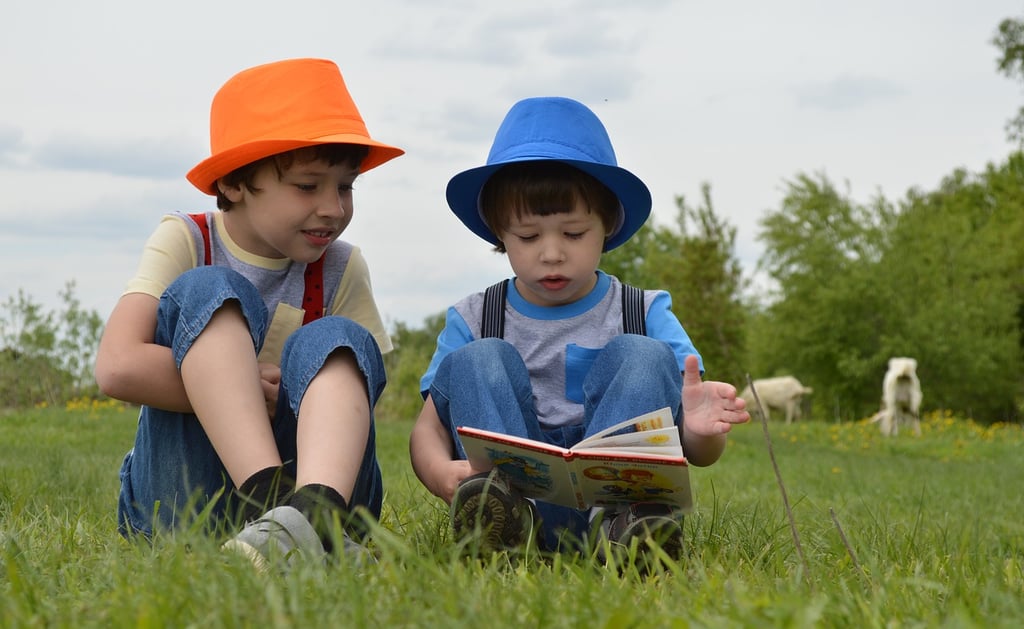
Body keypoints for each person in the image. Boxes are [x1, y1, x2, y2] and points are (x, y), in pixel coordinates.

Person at [94, 58, 404, 569]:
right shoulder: (187, 239)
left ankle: (315, 515)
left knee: (339, 338)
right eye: (308, 186)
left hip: (320, 483)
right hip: (186, 501)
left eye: (346, 186)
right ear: (235, 183)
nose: (333, 207)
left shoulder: (343, 266)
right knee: (210, 289)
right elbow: (118, 366)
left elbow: (361, 386)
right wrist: (236, 387)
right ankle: (277, 510)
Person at [409, 96, 749, 560]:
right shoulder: (473, 316)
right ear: (499, 232)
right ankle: (502, 528)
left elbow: (698, 450)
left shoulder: (644, 311)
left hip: (617, 497)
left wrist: (702, 432)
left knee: (643, 354)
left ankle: (627, 531)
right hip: (514, 495)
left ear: (607, 225)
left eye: (573, 234)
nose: (551, 254)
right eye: (528, 237)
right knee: (478, 358)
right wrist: (439, 472)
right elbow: (427, 429)